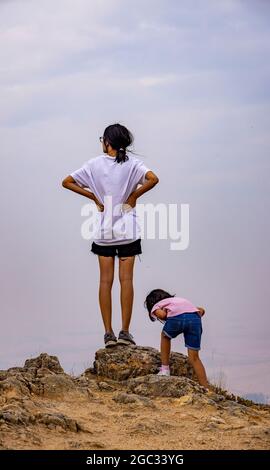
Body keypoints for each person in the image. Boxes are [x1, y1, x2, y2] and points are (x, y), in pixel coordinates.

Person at [62, 123, 159, 348]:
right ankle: (125, 332)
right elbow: (153, 179)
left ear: (107, 142)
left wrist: (93, 198)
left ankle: (108, 334)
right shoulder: (133, 164)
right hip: (128, 233)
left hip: (104, 233)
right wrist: (134, 195)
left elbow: (66, 182)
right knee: (127, 281)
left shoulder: (93, 165)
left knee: (105, 282)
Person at [144, 288, 210, 388]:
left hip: (177, 318)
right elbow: (201, 310)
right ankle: (207, 388)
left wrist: (165, 315)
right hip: (195, 318)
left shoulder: (157, 304)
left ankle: (165, 369)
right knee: (194, 358)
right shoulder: (179, 300)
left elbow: (162, 314)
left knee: (165, 336)